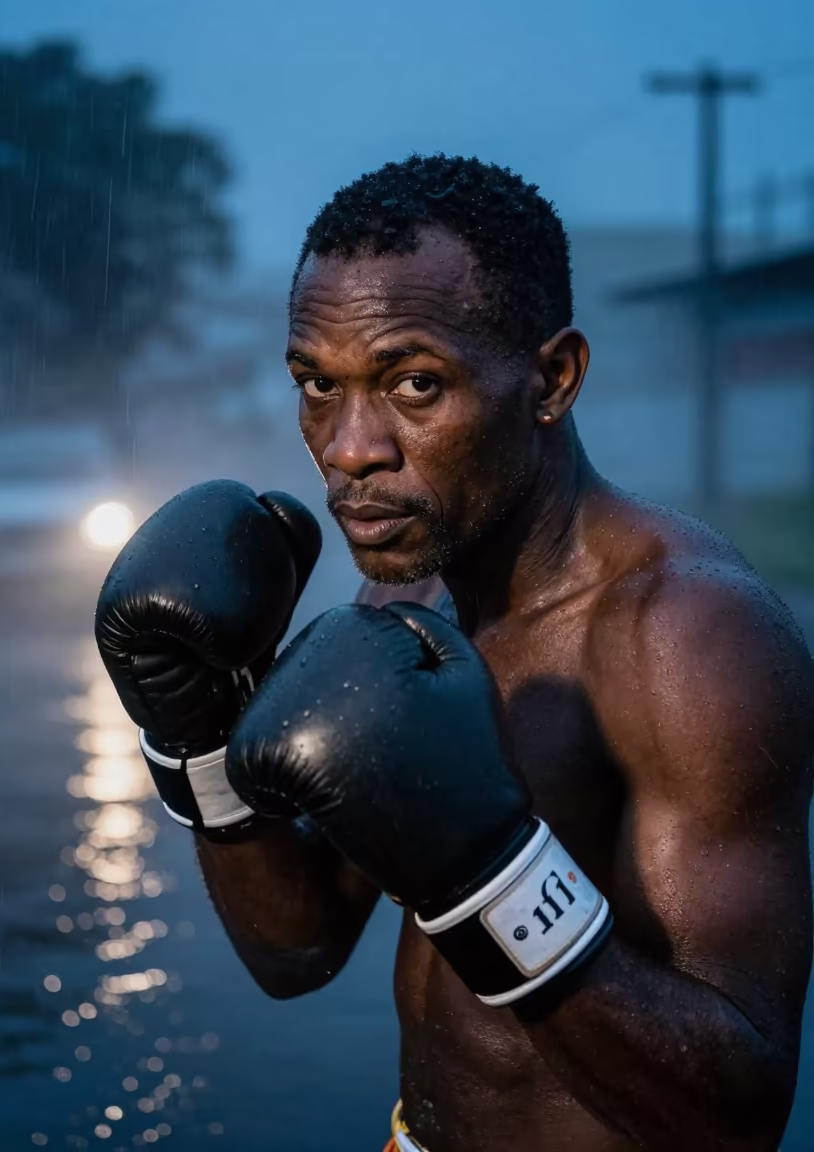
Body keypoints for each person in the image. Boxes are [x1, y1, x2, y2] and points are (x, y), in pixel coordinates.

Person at [96, 154, 814, 1152]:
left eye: (414, 383)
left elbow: (738, 1117)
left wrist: (489, 878)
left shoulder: (685, 639)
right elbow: (295, 950)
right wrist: (195, 736)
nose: (349, 448)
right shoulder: (407, 588)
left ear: (551, 379)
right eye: (318, 384)